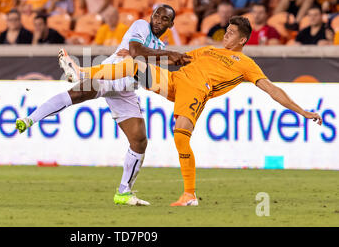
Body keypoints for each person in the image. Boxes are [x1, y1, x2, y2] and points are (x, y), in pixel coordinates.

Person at [61, 16, 323, 206]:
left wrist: (303, 112)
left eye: (231, 33)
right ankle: (82, 72)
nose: (226, 35)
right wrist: (150, 53)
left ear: (243, 39)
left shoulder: (246, 64)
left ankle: (189, 195)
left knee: (180, 136)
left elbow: (272, 90)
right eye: (226, 31)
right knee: (131, 64)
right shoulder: (208, 50)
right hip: (174, 81)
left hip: (196, 91)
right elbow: (177, 58)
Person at [15, 5, 191, 206]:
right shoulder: (141, 26)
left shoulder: (159, 45)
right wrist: (162, 54)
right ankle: (30, 119)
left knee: (140, 140)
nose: (158, 21)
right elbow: (136, 50)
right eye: (156, 16)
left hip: (126, 88)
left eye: (164, 19)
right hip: (111, 72)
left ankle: (124, 193)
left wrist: (174, 58)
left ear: (171, 24)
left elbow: (147, 68)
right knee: (77, 94)